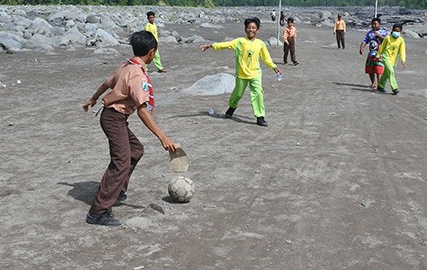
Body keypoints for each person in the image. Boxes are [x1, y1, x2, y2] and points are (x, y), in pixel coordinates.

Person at [82, 31, 180, 226]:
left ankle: (117, 190)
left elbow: (106, 83)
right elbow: (142, 111)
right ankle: (98, 212)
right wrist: (163, 137)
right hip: (114, 118)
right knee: (120, 161)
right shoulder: (137, 75)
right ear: (152, 52)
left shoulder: (125, 65)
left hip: (113, 117)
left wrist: (93, 99)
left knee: (135, 150)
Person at [200, 17, 281, 127]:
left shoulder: (260, 44)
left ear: (257, 30)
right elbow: (225, 44)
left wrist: (274, 67)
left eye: (253, 28)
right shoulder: (239, 42)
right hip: (241, 74)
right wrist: (211, 45)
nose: (250, 30)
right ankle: (232, 108)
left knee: (258, 93)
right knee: (237, 94)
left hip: (255, 74)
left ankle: (260, 117)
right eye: (248, 28)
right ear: (245, 29)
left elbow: (266, 58)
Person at [376, 23, 406, 95]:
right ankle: (395, 88)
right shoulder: (388, 38)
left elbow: (402, 51)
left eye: (398, 31)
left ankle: (380, 85)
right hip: (386, 57)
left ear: (401, 31)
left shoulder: (401, 40)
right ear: (392, 30)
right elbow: (382, 47)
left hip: (393, 59)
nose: (396, 32)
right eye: (395, 30)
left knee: (386, 73)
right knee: (391, 71)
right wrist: (378, 55)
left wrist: (403, 60)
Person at [358, 17, 387, 90]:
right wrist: (362, 48)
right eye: (372, 24)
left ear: (379, 24)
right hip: (371, 54)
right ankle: (373, 83)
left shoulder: (383, 32)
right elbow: (365, 40)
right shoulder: (369, 33)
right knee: (370, 70)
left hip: (379, 55)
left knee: (378, 69)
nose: (374, 25)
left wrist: (378, 35)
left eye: (375, 24)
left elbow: (387, 41)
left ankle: (379, 85)